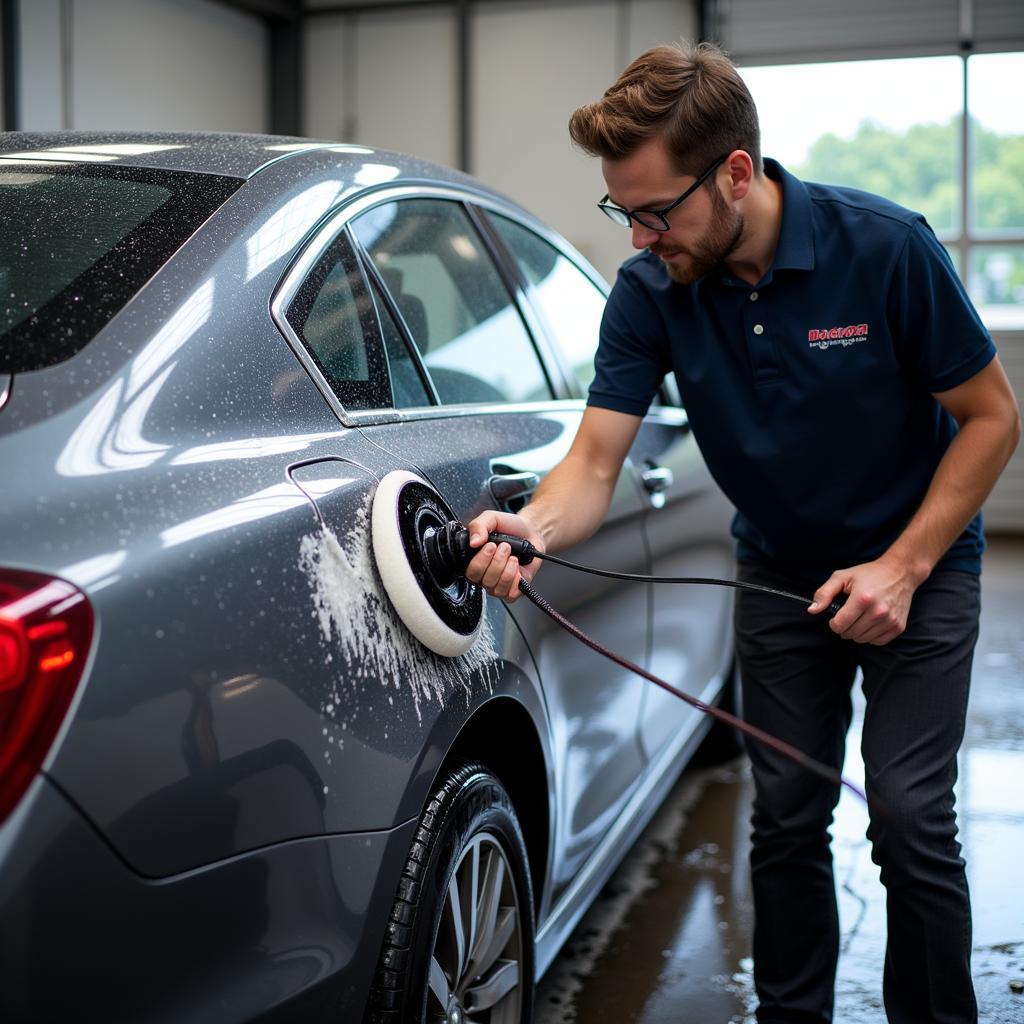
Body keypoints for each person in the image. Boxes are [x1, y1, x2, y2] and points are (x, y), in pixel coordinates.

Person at [464, 41, 1021, 1024]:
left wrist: (901, 565)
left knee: (908, 815)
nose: (639, 238)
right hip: (774, 573)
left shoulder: (884, 247)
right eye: (621, 212)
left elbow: (991, 416)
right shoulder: (651, 293)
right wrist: (533, 526)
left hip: (918, 565)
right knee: (789, 817)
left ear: (733, 172)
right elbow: (592, 464)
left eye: (654, 210)